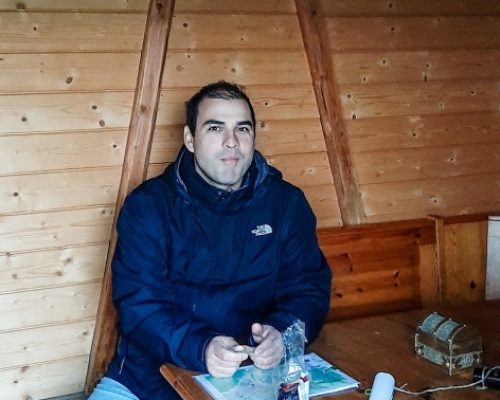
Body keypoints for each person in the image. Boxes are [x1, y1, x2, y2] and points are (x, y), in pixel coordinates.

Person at [88, 81, 332, 399]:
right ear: (190, 139)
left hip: (250, 378)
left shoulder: (286, 204)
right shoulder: (148, 206)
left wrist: (282, 335)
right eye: (215, 128)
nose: (232, 142)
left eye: (242, 129)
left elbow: (307, 289)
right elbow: (140, 304)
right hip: (147, 379)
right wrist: (201, 348)